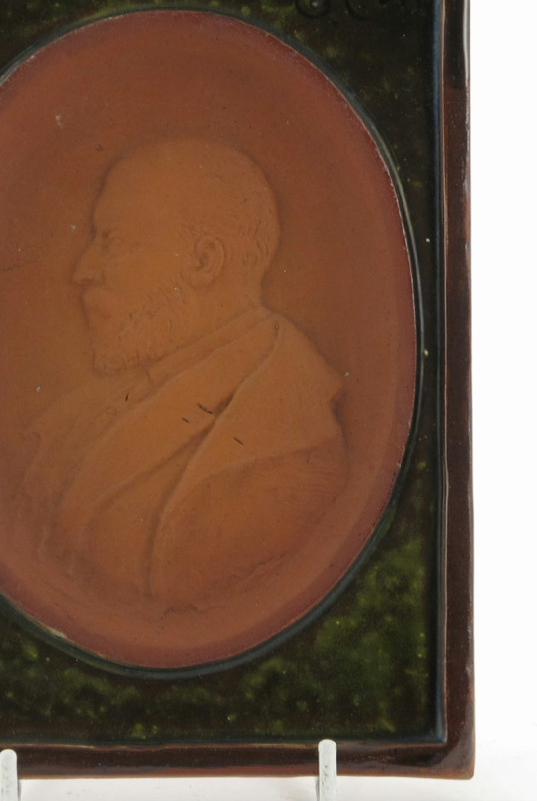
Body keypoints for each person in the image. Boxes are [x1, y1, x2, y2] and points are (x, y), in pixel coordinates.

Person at [21, 138, 347, 609]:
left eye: (114, 242)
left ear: (204, 262)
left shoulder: (292, 452)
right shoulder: (80, 415)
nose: (83, 270)